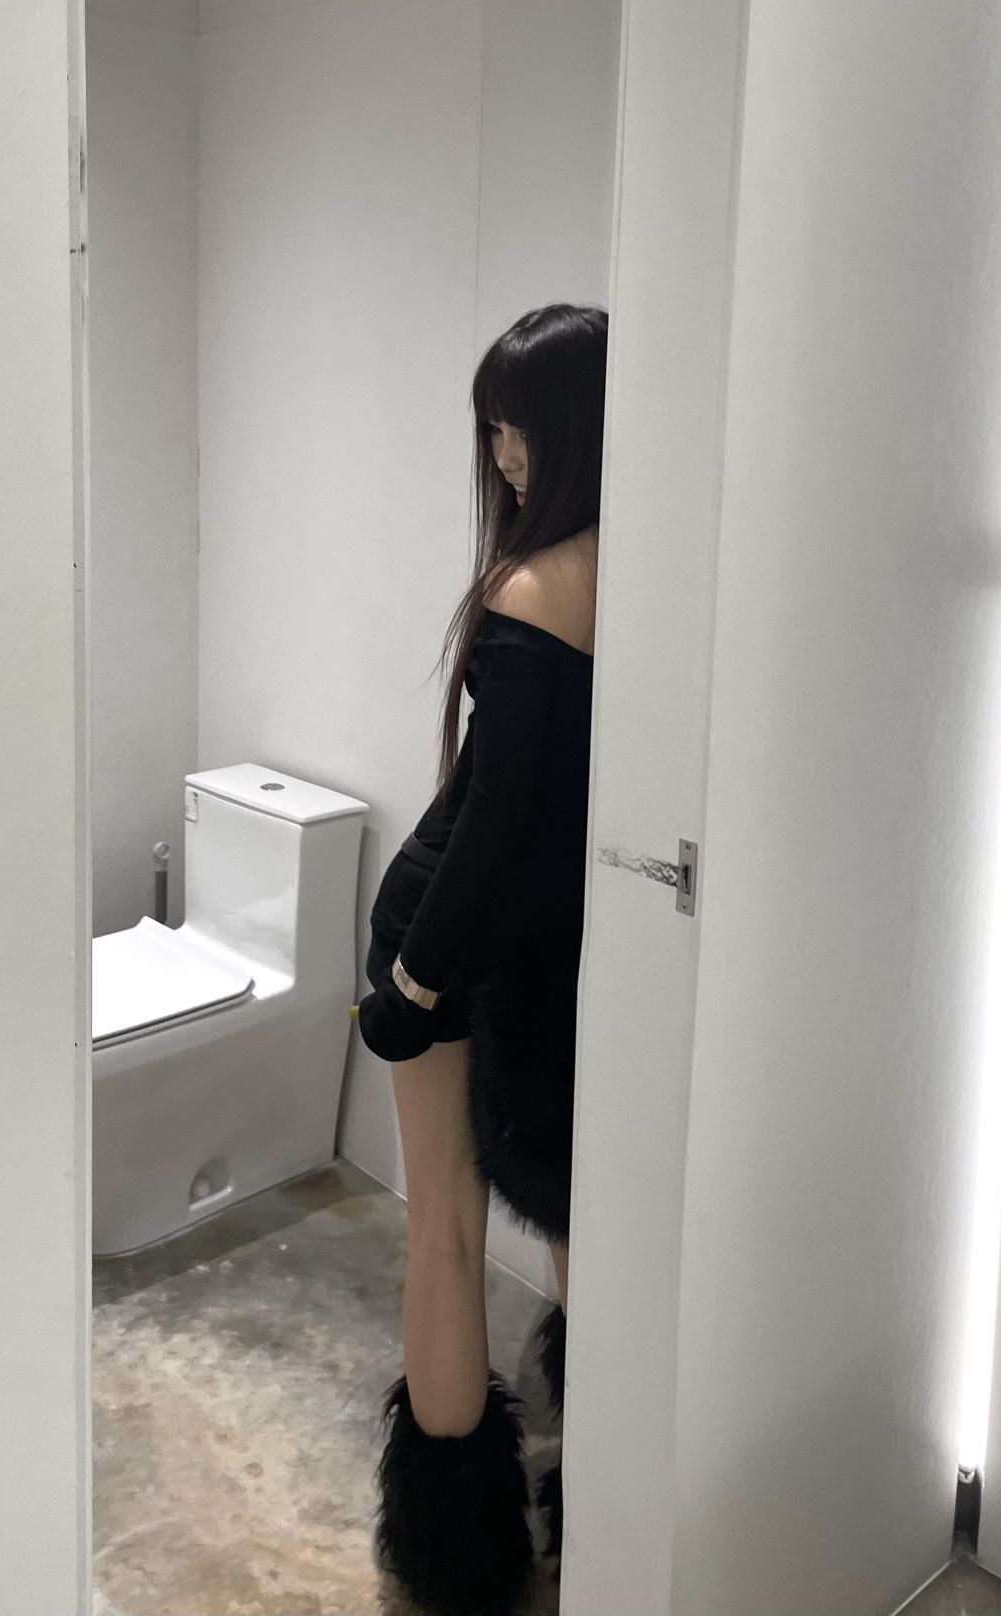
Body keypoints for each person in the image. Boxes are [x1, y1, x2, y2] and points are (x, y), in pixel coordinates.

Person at [354, 302, 606, 1615]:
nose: (504, 458)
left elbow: (491, 820)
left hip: (450, 941)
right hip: (556, 959)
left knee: (444, 1235)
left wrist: (409, 986)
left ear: (583, 429)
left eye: (524, 430)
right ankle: (608, 1515)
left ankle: (459, 1563)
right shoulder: (660, 576)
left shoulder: (527, 588)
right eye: (493, 430)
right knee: (581, 1226)